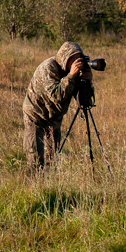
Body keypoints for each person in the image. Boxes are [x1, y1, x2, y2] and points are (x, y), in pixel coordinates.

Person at [22, 41, 92, 171]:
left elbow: (83, 101)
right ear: (65, 59)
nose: (77, 63)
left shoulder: (73, 73)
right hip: (35, 114)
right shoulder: (48, 68)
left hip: (54, 117)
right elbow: (55, 96)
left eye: (79, 59)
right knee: (35, 159)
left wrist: (87, 82)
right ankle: (32, 187)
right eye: (73, 60)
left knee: (52, 159)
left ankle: (49, 187)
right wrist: (71, 76)